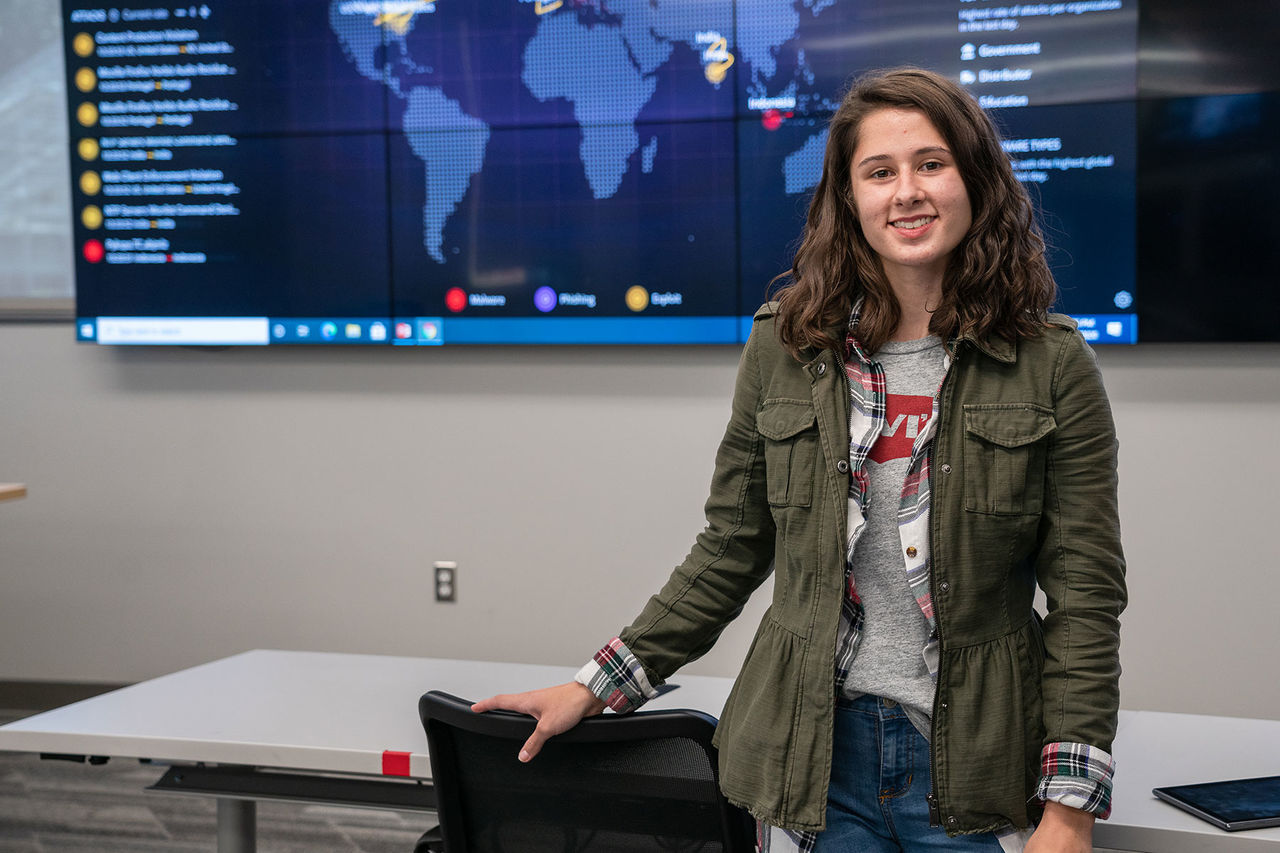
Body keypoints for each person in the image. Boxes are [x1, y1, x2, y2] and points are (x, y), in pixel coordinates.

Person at [474, 67, 1125, 853]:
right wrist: (595, 685)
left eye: (931, 163)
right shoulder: (788, 344)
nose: (906, 192)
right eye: (878, 172)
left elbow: (1086, 599)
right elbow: (729, 547)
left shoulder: (1051, 362)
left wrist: (1070, 807)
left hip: (974, 764)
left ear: (976, 180)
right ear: (849, 198)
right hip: (819, 756)